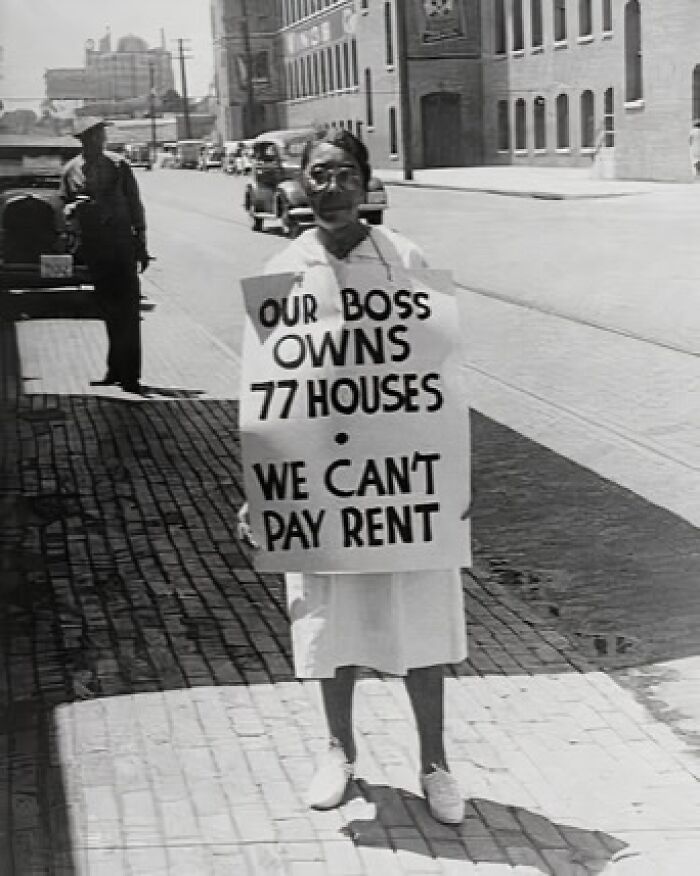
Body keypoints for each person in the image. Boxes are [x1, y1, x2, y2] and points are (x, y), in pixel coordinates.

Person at [238, 129, 470, 825]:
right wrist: (260, 490)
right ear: (302, 184)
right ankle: (338, 751)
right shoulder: (284, 270)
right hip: (323, 490)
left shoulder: (405, 259)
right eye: (319, 174)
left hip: (401, 488)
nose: (331, 187)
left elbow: (438, 378)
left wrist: (452, 472)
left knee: (420, 620)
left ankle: (435, 764)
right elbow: (268, 395)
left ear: (365, 183)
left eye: (344, 174)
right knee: (329, 624)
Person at [61, 117, 151, 393]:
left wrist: (141, 242)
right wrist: (73, 208)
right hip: (95, 248)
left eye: (101, 136)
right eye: (95, 137)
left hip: (121, 246)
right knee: (109, 310)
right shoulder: (71, 170)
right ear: (84, 141)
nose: (101, 141)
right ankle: (114, 370)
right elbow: (63, 205)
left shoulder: (119, 165)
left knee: (128, 311)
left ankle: (130, 375)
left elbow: (135, 204)